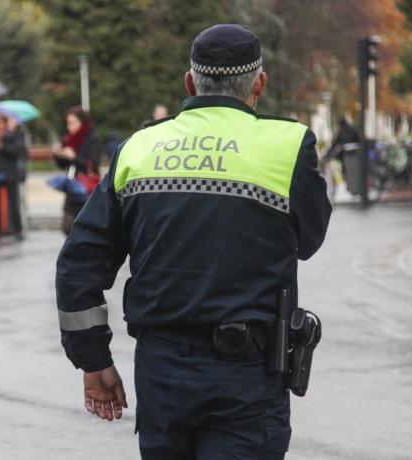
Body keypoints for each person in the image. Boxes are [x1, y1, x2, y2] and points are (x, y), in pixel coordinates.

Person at [55, 24, 331, 459]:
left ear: (190, 81)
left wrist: (93, 360)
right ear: (260, 83)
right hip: (247, 376)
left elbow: (78, 263)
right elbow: (309, 240)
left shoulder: (140, 147)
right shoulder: (288, 144)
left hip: (161, 374)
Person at [53, 106, 102, 235]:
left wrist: (74, 156)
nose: (69, 127)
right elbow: (63, 164)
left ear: (82, 122)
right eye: (68, 123)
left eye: (72, 123)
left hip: (86, 188)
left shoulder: (93, 138)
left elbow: (93, 164)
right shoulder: (69, 138)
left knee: (84, 227)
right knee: (67, 226)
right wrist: (59, 155)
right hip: (72, 186)